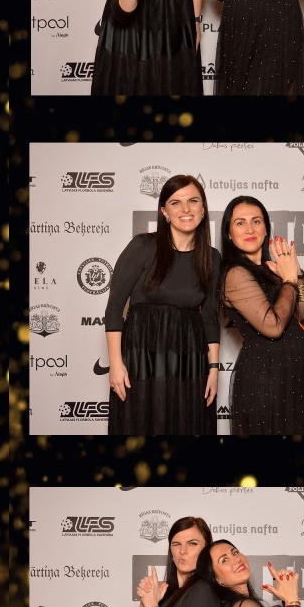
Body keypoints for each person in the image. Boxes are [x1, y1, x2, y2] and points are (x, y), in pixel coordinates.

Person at [104, 174, 220, 435]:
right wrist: (115, 364)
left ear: (203, 208)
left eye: (193, 201)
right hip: (141, 357)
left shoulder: (212, 258)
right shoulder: (142, 247)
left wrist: (213, 370)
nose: (185, 209)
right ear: (164, 212)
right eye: (175, 203)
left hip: (190, 359)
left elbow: (209, 318)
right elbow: (114, 308)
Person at [218, 197, 304, 435]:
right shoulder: (235, 274)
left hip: (295, 374)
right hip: (266, 377)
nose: (250, 229)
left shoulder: (273, 269)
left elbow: (303, 316)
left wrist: (297, 273)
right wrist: (289, 280)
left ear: (266, 228)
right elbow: (273, 327)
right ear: (229, 233)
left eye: (256, 221)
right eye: (240, 223)